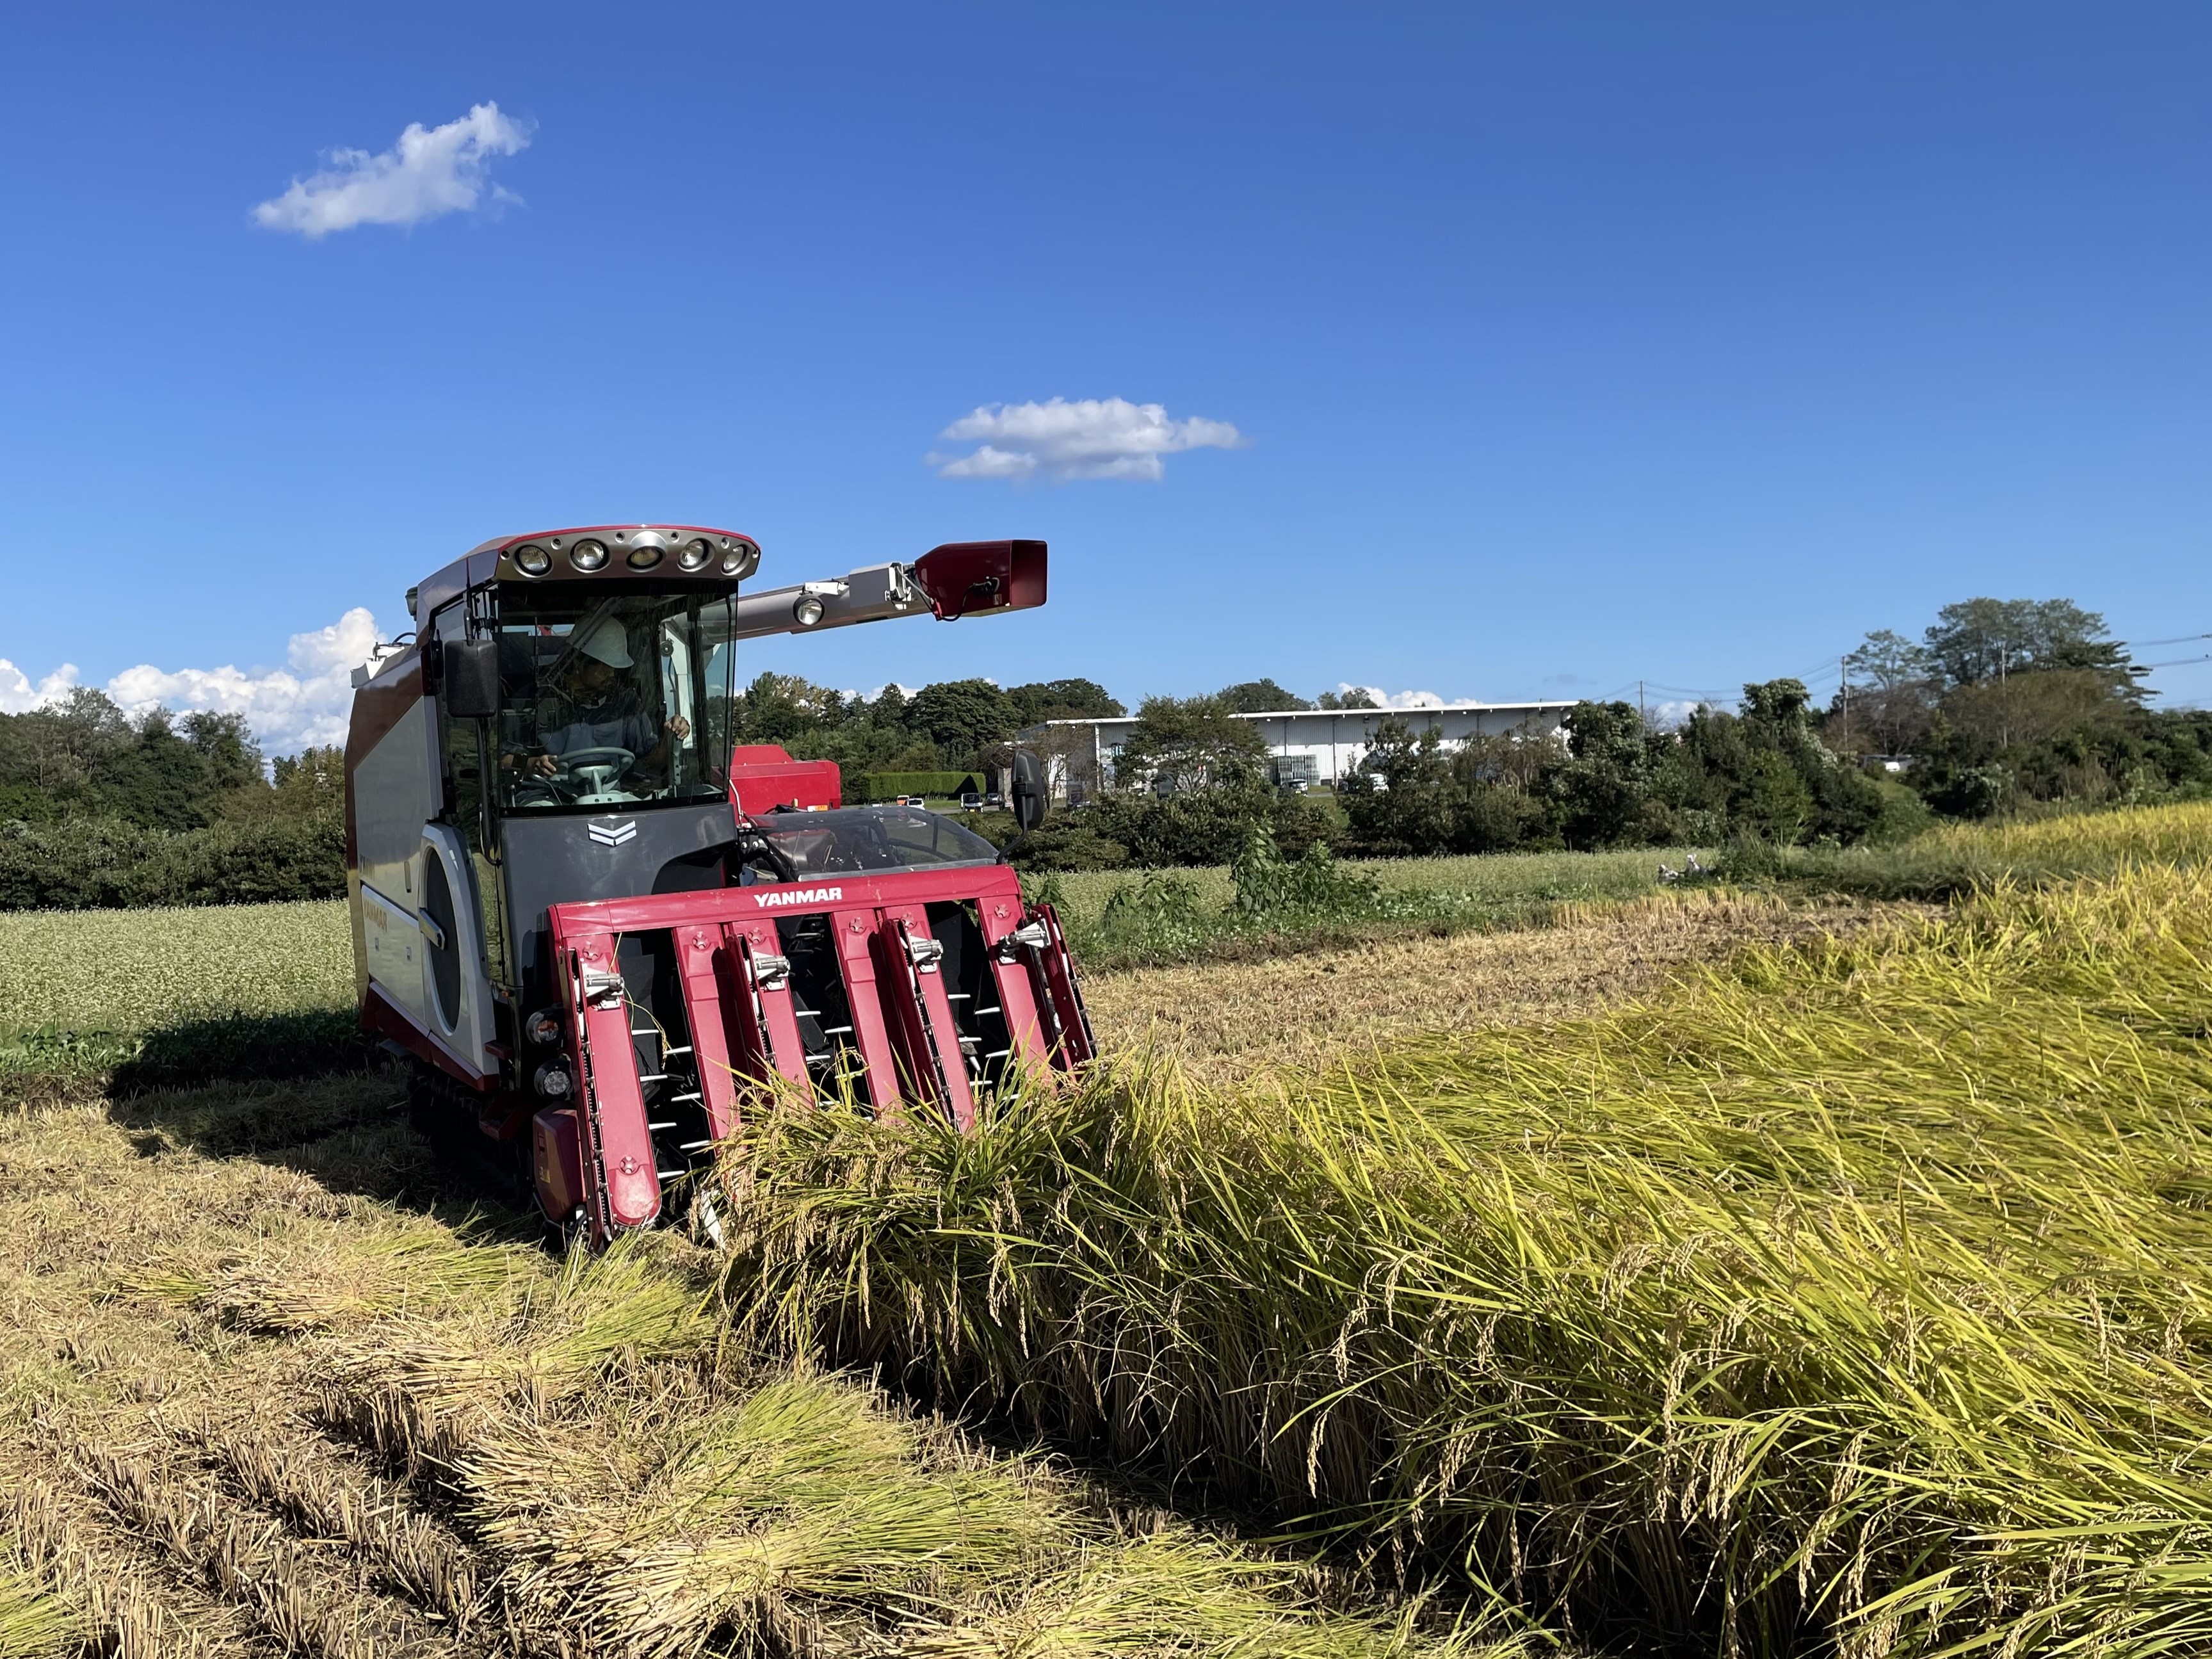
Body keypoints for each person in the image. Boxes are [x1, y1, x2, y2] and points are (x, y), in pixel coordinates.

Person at [501, 619, 690, 779]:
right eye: (605, 665)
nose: (611, 673)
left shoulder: (625, 703)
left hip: (613, 799)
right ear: (577, 661)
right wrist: (530, 764)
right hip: (549, 801)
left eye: (615, 666)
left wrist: (670, 737)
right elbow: (503, 760)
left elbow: (653, 763)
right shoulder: (534, 700)